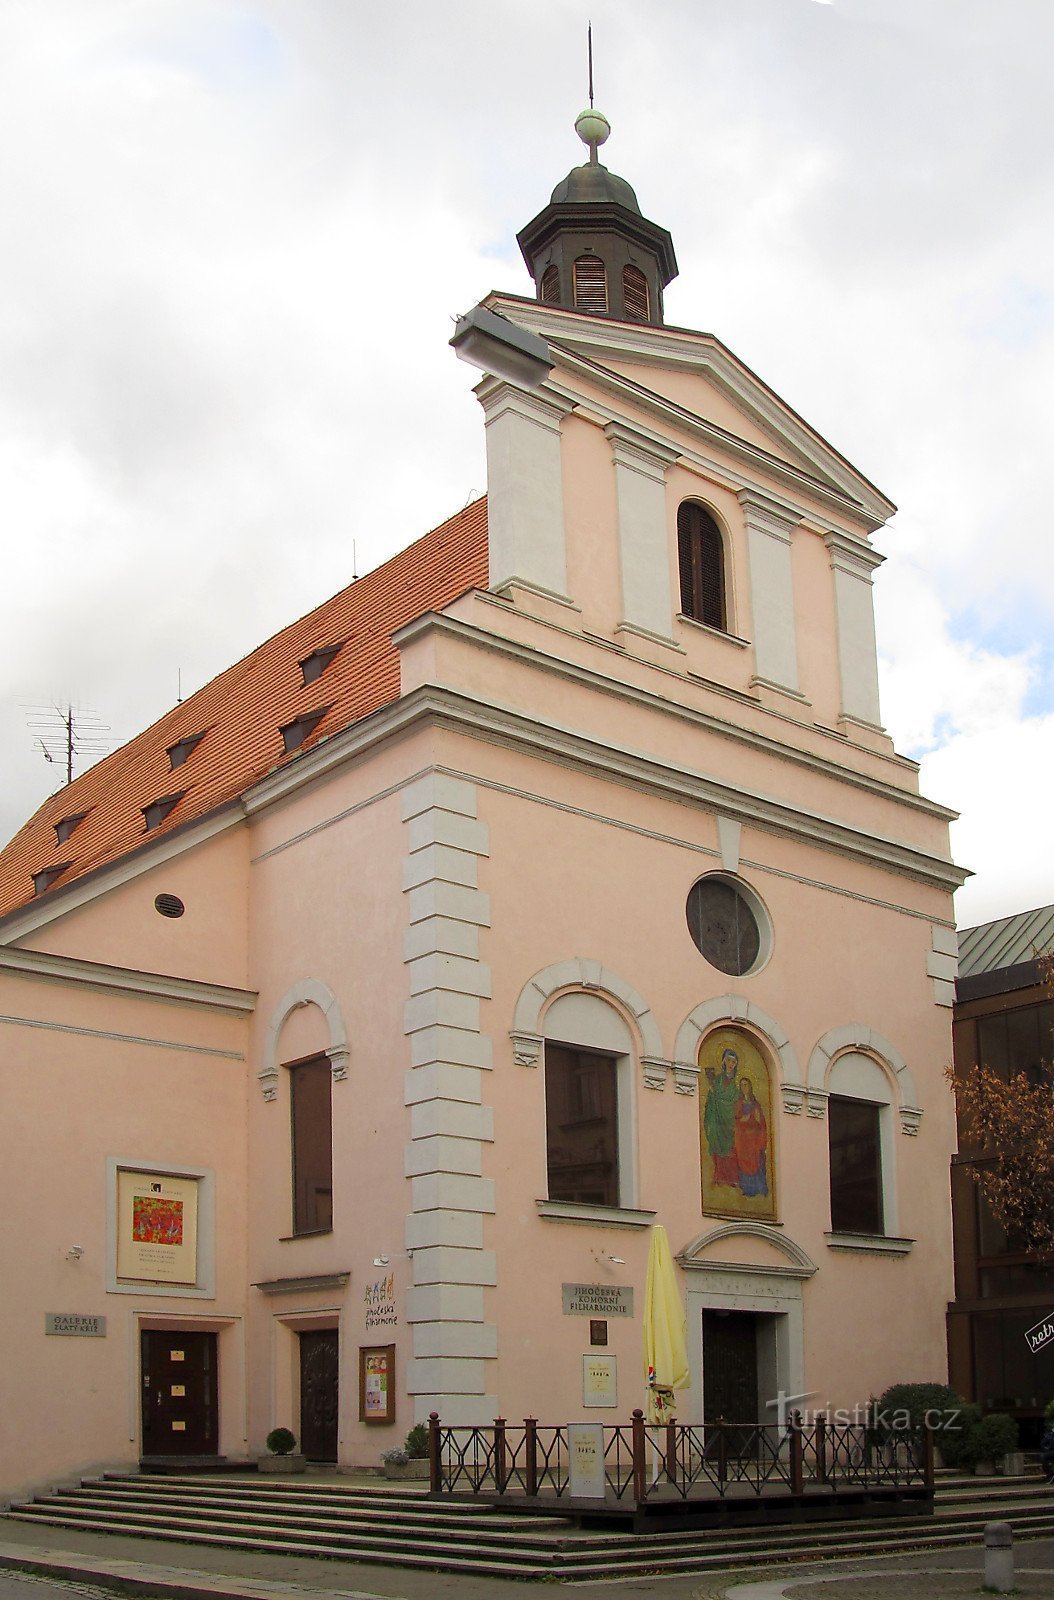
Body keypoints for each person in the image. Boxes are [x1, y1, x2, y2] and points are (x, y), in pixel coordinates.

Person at [703, 1048, 740, 1186]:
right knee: (716, 1146)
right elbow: (711, 1099)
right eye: (729, 1060)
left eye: (733, 1062)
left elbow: (736, 1099)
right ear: (724, 1061)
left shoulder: (736, 1083)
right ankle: (719, 1176)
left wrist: (722, 1099)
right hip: (716, 1117)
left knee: (731, 1149)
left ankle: (732, 1178)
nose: (731, 1064)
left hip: (730, 1121)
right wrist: (713, 1094)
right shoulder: (717, 1079)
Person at [734, 1075, 769, 1198]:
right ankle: (747, 1188)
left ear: (750, 1087)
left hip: (753, 1139)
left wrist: (756, 1119)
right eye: (742, 1085)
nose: (744, 1087)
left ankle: (759, 1188)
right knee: (743, 1162)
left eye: (746, 1085)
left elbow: (761, 1123)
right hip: (743, 1139)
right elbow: (736, 1120)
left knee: (757, 1160)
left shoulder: (756, 1105)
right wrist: (744, 1119)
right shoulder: (738, 1103)